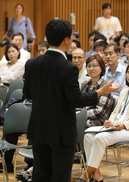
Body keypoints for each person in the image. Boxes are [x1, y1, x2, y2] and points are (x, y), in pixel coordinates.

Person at [23, 19, 121, 182]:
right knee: (60, 177)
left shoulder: (32, 63)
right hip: (61, 131)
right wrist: (100, 92)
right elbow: (76, 100)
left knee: (40, 176)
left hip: (38, 128)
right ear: (67, 40)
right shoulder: (68, 68)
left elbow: (28, 94)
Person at [77, 62, 129, 182]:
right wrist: (109, 121)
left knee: (99, 138)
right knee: (88, 135)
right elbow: (115, 112)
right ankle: (96, 174)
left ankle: (86, 174)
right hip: (115, 126)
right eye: (128, 72)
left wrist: (124, 125)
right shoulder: (124, 91)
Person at [81, 54, 114, 127]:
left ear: (102, 68)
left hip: (97, 121)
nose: (91, 68)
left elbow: (100, 111)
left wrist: (81, 114)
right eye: (89, 66)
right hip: (82, 118)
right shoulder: (84, 85)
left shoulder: (106, 86)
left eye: (94, 66)